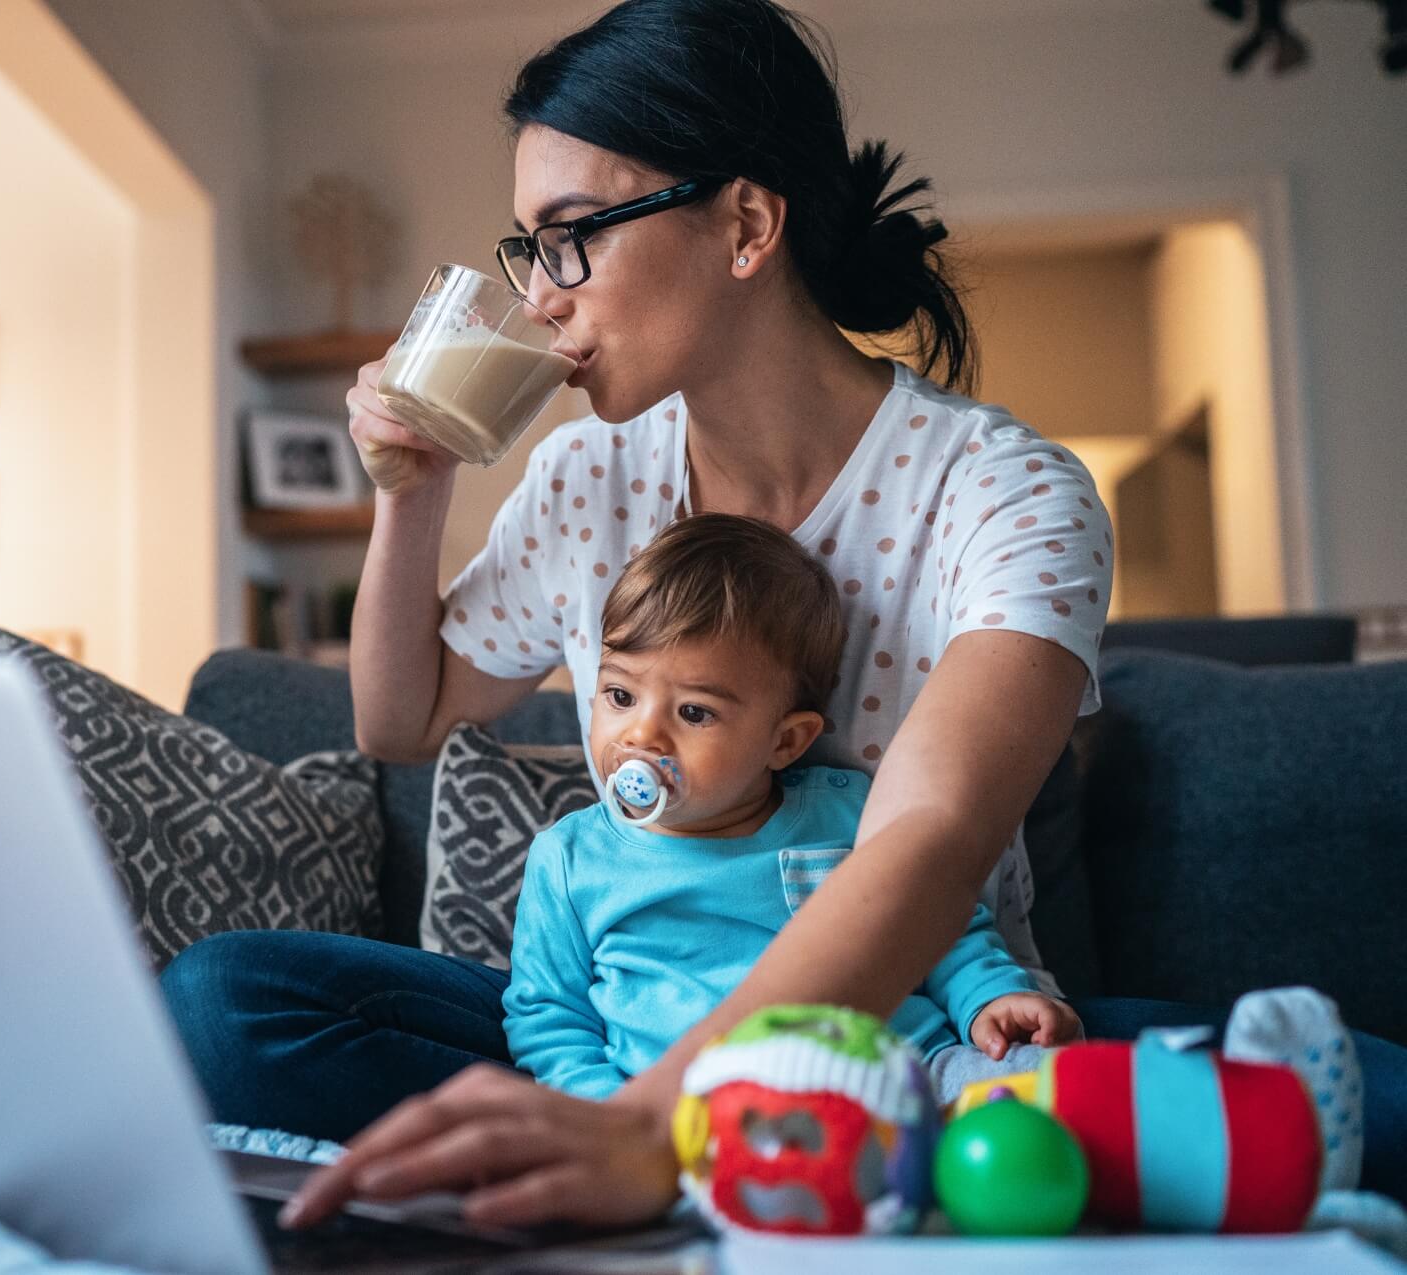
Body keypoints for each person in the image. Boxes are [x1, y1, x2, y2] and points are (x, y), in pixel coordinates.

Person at [161, 0, 1405, 1227]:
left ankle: (758, 1160)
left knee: (1372, 1100)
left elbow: (923, 843)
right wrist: (413, 497)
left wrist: (656, 1126)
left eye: (573, 234)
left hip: (917, 1038)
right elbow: (401, 721)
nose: (542, 296)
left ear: (746, 224)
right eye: (529, 249)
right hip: (626, 1033)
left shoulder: (1006, 494)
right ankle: (684, 1159)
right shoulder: (588, 478)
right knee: (227, 1003)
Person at [503, 513, 1080, 1106]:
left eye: (695, 713)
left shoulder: (852, 813)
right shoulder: (570, 861)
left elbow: (941, 929)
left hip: (908, 1078)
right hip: (693, 1119)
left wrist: (991, 998)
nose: (642, 735)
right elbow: (550, 1019)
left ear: (786, 742)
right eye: (620, 696)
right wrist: (608, 1118)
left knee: (1047, 1089)